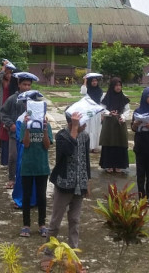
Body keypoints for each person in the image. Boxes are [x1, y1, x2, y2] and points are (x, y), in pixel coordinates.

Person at [42, 110, 90, 273]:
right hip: (64, 185)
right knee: (55, 222)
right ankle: (47, 255)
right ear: (71, 123)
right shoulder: (62, 135)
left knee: (75, 221)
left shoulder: (85, 136)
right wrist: (75, 129)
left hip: (79, 185)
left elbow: (86, 161)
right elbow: (68, 150)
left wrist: (87, 182)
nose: (84, 126)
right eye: (81, 123)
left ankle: (73, 258)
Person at [0, 72, 39, 189]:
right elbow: (3, 113)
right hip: (14, 134)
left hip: (29, 134)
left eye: (29, 85)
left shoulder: (34, 100)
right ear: (19, 84)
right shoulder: (12, 99)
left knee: (27, 157)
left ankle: (27, 179)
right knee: (13, 156)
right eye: (24, 84)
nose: (26, 87)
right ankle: (12, 179)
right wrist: (10, 124)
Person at [19, 106, 53, 238]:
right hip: (27, 167)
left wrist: (44, 128)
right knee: (26, 196)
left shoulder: (47, 125)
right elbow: (26, 144)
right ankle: (26, 225)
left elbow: (47, 145)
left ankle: (42, 225)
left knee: (41, 197)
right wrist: (27, 128)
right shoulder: (24, 125)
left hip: (42, 167)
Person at [99, 77, 130, 173]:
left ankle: (119, 165)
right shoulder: (106, 96)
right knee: (109, 143)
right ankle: (108, 165)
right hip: (109, 123)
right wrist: (109, 113)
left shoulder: (123, 97)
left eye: (120, 85)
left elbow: (127, 110)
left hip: (120, 122)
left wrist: (123, 117)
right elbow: (102, 108)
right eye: (116, 85)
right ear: (112, 86)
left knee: (120, 143)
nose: (118, 87)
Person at [0, 59, 18, 166]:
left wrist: (11, 66)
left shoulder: (14, 83)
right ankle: (4, 157)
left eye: (10, 73)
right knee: (3, 135)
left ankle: (11, 158)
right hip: (2, 111)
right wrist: (3, 69)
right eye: (7, 74)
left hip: (11, 110)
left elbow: (18, 73)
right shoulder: (2, 82)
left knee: (11, 135)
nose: (9, 75)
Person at [80, 73, 103, 153]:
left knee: (96, 129)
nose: (94, 82)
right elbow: (83, 91)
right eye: (92, 81)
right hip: (88, 111)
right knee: (88, 128)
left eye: (96, 81)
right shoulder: (87, 90)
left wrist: (102, 114)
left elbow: (101, 103)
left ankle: (94, 147)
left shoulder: (99, 91)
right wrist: (85, 81)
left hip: (97, 112)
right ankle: (88, 146)